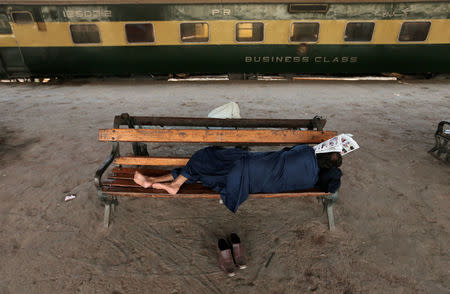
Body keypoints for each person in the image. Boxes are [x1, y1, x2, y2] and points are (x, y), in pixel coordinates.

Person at [134, 145, 342, 213]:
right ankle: (155, 180)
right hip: (256, 182)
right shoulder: (310, 180)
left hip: (249, 165)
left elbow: (288, 151)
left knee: (205, 156)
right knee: (203, 169)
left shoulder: (306, 152)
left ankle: (174, 185)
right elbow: (331, 181)